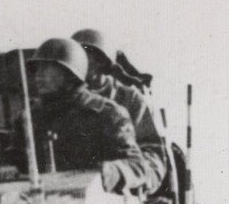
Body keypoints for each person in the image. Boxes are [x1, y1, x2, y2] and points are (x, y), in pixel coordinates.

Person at [3, 38, 153, 193]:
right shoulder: (29, 118)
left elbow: (138, 166)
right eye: (37, 69)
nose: (39, 76)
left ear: (70, 74)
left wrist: (113, 171)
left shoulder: (107, 114)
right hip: (47, 203)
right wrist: (7, 169)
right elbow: (14, 161)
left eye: (47, 69)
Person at [71, 28, 168, 191]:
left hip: (121, 192)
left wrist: (122, 173)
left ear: (103, 61)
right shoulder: (65, 100)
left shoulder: (130, 99)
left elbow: (153, 157)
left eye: (87, 55)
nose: (79, 62)